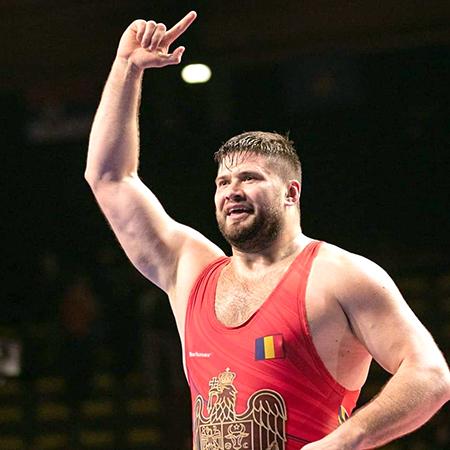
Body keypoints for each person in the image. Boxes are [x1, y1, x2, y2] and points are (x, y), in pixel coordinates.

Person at [85, 11, 450, 449]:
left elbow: (430, 374)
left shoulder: (339, 275)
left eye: (249, 178)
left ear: (291, 192)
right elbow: (109, 178)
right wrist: (126, 67)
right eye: (223, 182)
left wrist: (345, 440)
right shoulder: (190, 270)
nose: (231, 191)